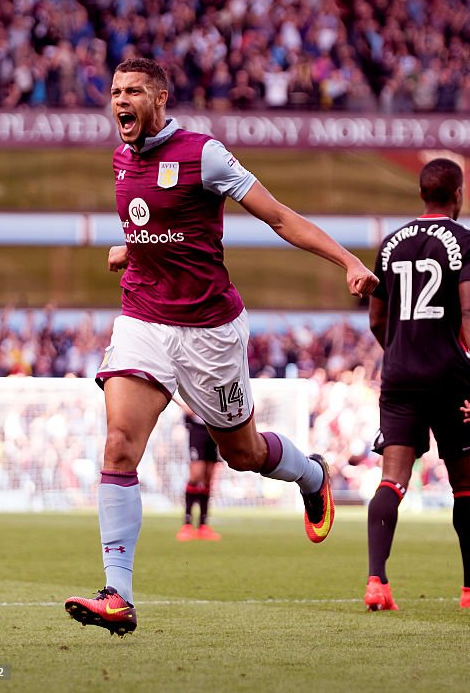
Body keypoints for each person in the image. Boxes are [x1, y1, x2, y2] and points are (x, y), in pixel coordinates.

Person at [65, 58, 378, 637]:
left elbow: (279, 217)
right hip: (144, 320)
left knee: (243, 453)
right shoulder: (121, 159)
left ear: (160, 96)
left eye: (132, 90)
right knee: (117, 446)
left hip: (210, 332)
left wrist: (349, 261)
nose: (119, 100)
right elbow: (158, 229)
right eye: (113, 92)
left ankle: (310, 475)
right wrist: (129, 250)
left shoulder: (203, 154)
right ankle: (117, 593)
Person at [365, 158, 470, 611]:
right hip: (451, 375)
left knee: (392, 480)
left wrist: (401, 349)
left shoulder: (389, 243)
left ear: (422, 194)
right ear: (459, 195)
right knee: (465, 481)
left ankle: (377, 583)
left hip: (400, 375)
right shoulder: (469, 240)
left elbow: (376, 317)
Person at [175, 404, 222, 542]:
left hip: (215, 427)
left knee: (208, 477)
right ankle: (187, 524)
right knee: (196, 475)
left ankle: (203, 525)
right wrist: (186, 406)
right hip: (197, 429)